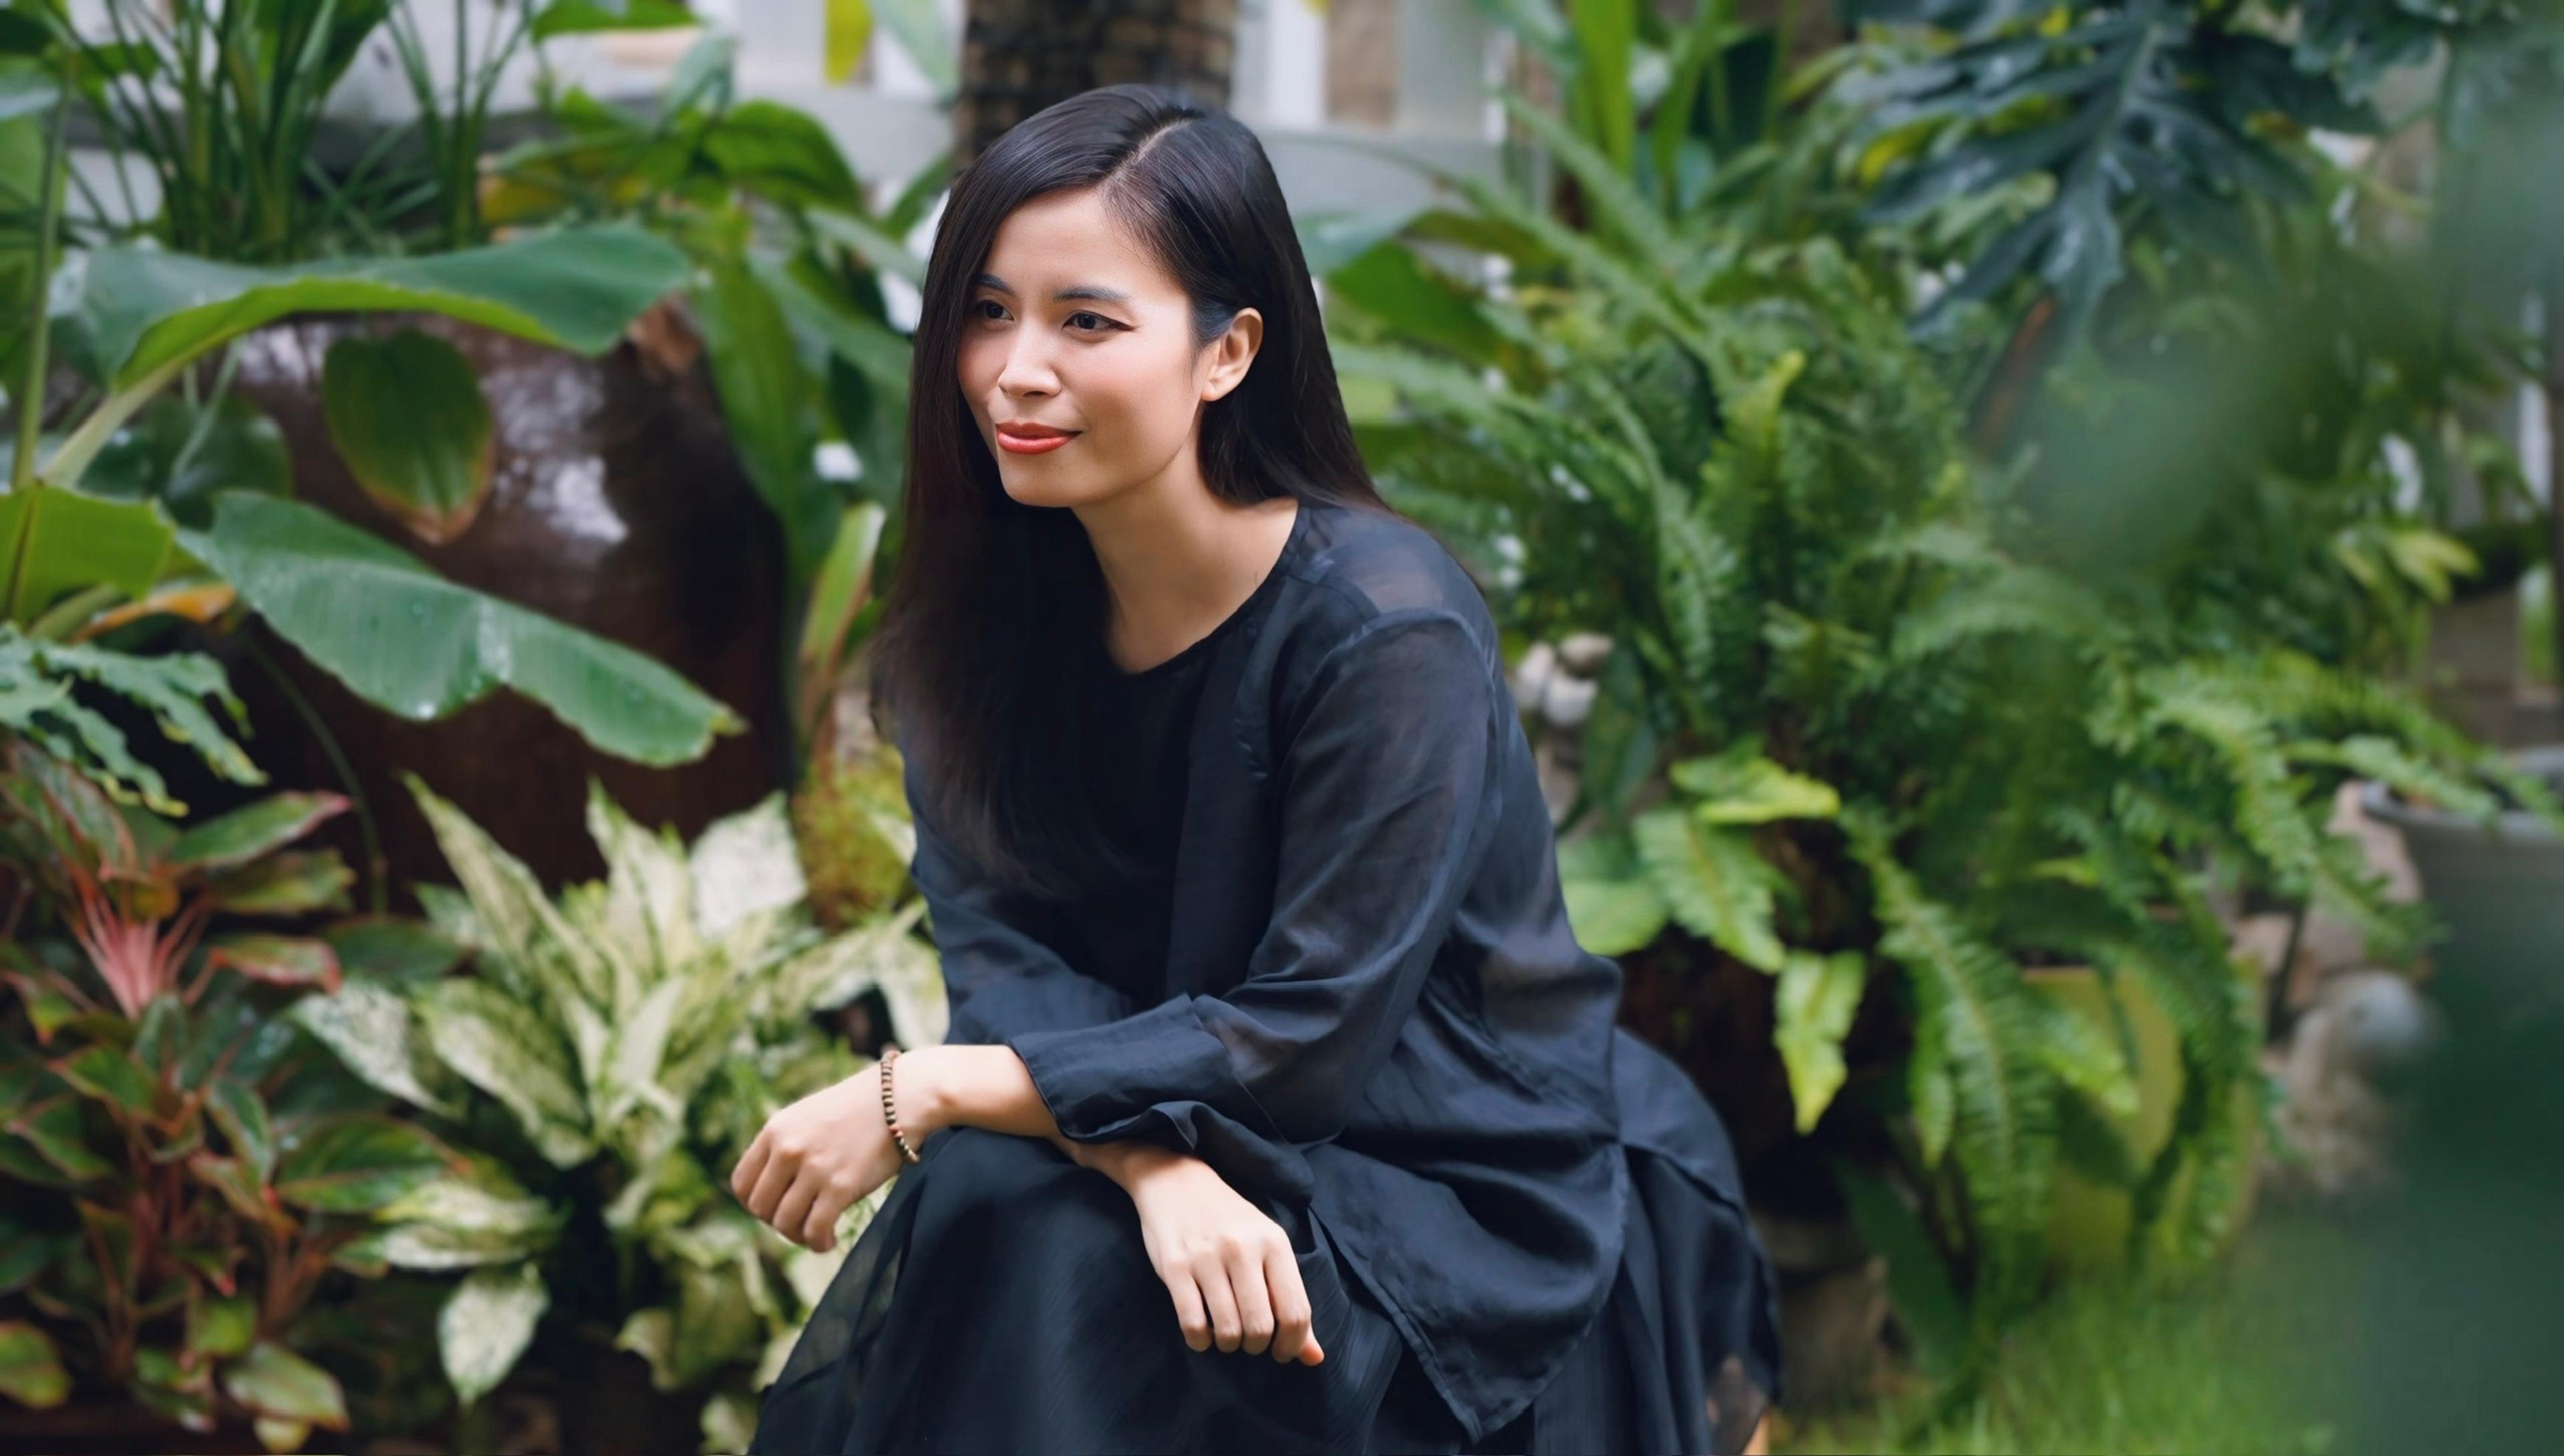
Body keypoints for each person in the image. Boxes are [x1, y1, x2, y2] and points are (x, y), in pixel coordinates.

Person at [734, 83, 1783, 1455]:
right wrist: (1148, 1159)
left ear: (1227, 351)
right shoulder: (972, 624)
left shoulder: (1385, 628)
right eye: (986, 311)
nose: (1014, 370)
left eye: (1086, 320)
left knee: (1019, 1212)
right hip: (1189, 1121)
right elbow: (1010, 968)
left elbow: (1308, 1034)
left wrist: (918, 1088)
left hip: (1441, 1156)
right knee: (1009, 1204)